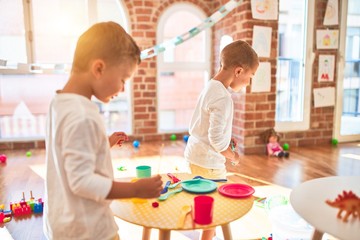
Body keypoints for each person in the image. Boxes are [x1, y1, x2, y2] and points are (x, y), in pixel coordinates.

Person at [43, 22, 163, 240]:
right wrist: (135, 190)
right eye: (123, 79)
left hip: (63, 224)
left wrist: (102, 143)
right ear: (98, 68)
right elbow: (81, 182)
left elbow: (68, 150)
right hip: (89, 230)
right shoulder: (83, 114)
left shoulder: (60, 102)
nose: (123, 88)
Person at [184, 39, 259, 240]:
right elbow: (216, 141)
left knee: (203, 196)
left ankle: (204, 230)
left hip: (194, 155)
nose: (248, 83)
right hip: (209, 162)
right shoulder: (223, 98)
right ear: (239, 71)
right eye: (250, 76)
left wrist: (227, 137)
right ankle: (207, 236)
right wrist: (232, 155)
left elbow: (210, 126)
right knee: (215, 206)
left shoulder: (211, 86)